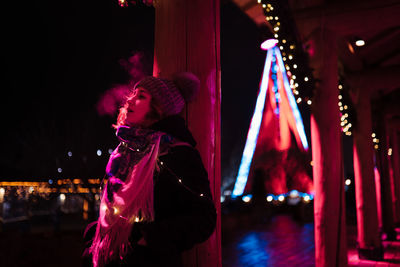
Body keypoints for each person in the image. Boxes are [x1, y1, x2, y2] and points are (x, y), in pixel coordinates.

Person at [83, 72, 216, 267]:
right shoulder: (126, 151)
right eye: (133, 94)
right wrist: (96, 234)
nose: (130, 100)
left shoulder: (176, 153)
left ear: (159, 109)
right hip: (109, 257)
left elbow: (204, 218)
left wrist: (151, 238)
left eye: (141, 96)